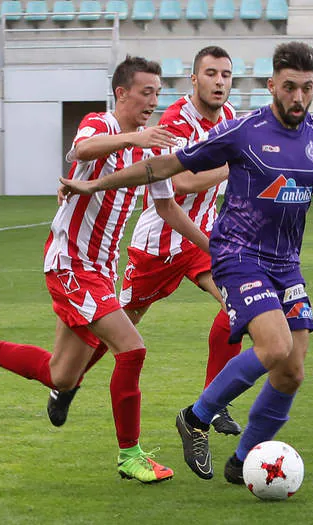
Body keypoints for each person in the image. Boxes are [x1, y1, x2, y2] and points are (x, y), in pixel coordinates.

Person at [58, 41, 313, 484]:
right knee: (274, 346)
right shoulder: (244, 131)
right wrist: (95, 185)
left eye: (306, 88)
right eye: (288, 87)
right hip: (237, 256)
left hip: (285, 264)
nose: (297, 98)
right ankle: (197, 416)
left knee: (292, 371)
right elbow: (164, 167)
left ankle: (242, 461)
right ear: (271, 86)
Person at [0, 56, 179, 484]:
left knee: (62, 374)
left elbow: (167, 205)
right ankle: (130, 455)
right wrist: (138, 136)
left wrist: (214, 247)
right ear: (122, 93)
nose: (154, 101)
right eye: (146, 92)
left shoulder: (151, 145)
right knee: (131, 349)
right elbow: (82, 149)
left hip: (99, 269)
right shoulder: (101, 124)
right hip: (71, 264)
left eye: (158, 92)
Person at [47, 46, 244, 436]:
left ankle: (214, 402)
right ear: (194, 79)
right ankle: (68, 382)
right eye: (211, 73)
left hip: (198, 238)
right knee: (119, 329)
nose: (219, 82)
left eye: (225, 74)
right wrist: (225, 169)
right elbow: (180, 183)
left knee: (237, 304)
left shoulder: (230, 119)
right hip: (157, 247)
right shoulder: (171, 123)